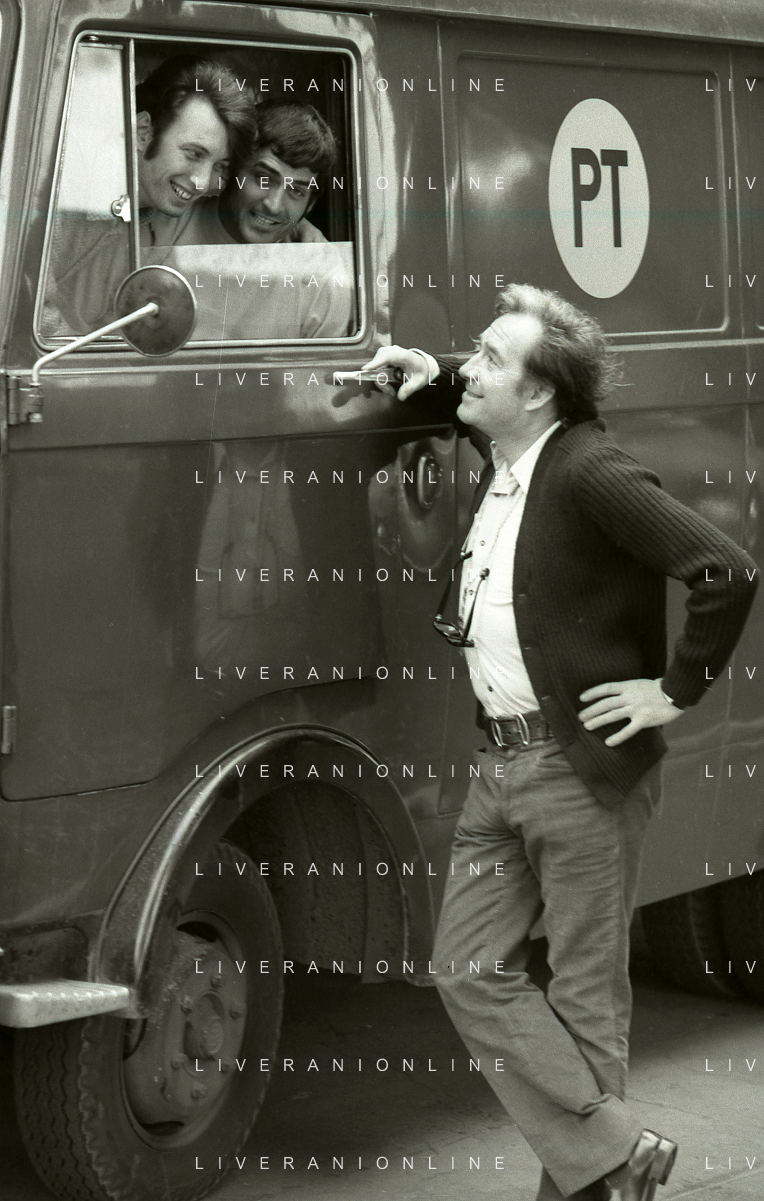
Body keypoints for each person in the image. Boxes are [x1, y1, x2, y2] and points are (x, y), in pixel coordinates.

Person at [362, 284, 758, 1201]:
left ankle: (589, 1185)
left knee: (584, 998)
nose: (471, 366)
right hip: (499, 766)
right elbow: (475, 398)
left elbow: (725, 568)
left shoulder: (589, 469)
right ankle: (619, 1155)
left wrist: (673, 690)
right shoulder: (514, 449)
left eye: (490, 358)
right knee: (466, 969)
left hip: (578, 769)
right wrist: (428, 374)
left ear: (539, 393)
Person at [44, 56, 258, 334]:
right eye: (194, 154)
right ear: (144, 132)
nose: (202, 183)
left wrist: (300, 232)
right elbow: (23, 307)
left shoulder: (160, 202)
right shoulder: (62, 183)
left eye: (220, 166)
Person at [169, 100, 337, 246]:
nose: (274, 206)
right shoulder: (165, 228)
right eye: (264, 179)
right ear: (230, 170)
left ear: (310, 205)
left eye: (296, 191)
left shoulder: (310, 258)